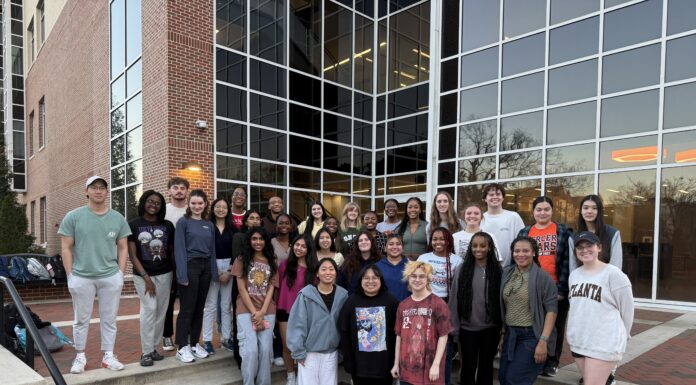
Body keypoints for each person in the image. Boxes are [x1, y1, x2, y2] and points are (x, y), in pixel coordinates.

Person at [59, 176, 131, 373]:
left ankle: (108, 356)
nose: (98, 191)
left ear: (107, 192)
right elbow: (66, 247)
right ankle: (80, 356)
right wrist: (70, 276)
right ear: (86, 191)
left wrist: (120, 273)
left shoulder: (117, 218)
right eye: (94, 187)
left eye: (102, 188)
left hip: (110, 276)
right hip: (81, 276)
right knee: (81, 319)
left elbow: (123, 247)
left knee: (109, 319)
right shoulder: (73, 216)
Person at [567, 232, 633, 385]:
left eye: (589, 246)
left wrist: (624, 335)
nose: (584, 250)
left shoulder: (613, 274)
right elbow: (576, 307)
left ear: (599, 248)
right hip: (578, 340)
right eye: (580, 247)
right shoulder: (574, 275)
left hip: (603, 341)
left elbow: (627, 310)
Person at [517, 196, 573, 377]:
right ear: (533, 212)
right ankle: (536, 357)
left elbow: (567, 262)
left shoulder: (563, 231)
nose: (542, 213)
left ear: (552, 211)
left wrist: (563, 289)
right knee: (534, 324)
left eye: (546, 209)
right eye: (539, 209)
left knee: (556, 325)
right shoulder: (525, 232)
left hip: (555, 286)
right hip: (531, 286)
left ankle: (552, 361)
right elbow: (518, 258)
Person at [499, 236, 558, 385]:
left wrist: (543, 341)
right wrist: (502, 333)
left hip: (532, 335)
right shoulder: (507, 273)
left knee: (515, 380)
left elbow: (552, 311)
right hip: (511, 334)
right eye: (517, 251)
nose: (521, 254)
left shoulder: (543, 278)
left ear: (533, 253)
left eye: (525, 251)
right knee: (504, 378)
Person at [128, 190, 175, 367]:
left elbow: (171, 253)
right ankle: (145, 352)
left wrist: (175, 277)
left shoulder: (168, 225)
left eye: (157, 203)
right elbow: (133, 256)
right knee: (149, 310)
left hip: (166, 273)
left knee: (161, 313)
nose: (153, 205)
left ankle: (154, 348)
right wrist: (146, 278)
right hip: (143, 275)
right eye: (150, 201)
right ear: (143, 202)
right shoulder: (133, 224)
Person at [448, 232, 502, 385]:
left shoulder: (497, 270)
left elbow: (502, 301)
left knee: (486, 368)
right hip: (467, 329)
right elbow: (454, 300)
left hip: (491, 328)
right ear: (470, 248)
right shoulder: (462, 269)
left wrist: (502, 327)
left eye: (483, 246)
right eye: (475, 246)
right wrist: (455, 328)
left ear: (490, 248)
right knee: (468, 368)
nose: (478, 249)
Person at [287, 258, 349, 385]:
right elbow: (297, 325)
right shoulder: (306, 295)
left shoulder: (343, 296)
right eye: (324, 269)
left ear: (336, 273)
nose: (328, 272)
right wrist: (298, 352)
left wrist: (342, 351)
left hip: (331, 353)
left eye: (331, 269)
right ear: (317, 273)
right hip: (309, 354)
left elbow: (345, 326)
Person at [230, 227, 279, 385]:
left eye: (261, 239)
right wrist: (255, 313)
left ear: (266, 241)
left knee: (265, 351)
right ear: (249, 241)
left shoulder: (272, 259)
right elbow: (242, 288)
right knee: (251, 351)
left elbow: (272, 287)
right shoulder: (241, 259)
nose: (258, 242)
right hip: (246, 310)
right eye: (254, 239)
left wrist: (262, 311)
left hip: (267, 310)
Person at [174, 189, 218, 363]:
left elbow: (212, 250)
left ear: (205, 204)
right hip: (190, 266)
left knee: (200, 308)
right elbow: (179, 249)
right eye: (193, 203)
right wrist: (182, 275)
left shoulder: (209, 224)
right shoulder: (183, 222)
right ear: (188, 204)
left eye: (200, 203)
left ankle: (193, 343)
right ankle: (182, 346)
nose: (197, 206)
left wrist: (214, 271)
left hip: (206, 267)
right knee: (187, 308)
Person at [391, 261, 452, 385]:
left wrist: (436, 364)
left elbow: (443, 335)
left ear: (428, 279)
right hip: (407, 370)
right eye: (413, 276)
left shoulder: (439, 304)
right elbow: (399, 336)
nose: (417, 279)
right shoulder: (403, 306)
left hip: (430, 370)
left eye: (422, 276)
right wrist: (396, 364)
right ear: (408, 278)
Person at [339, 264, 399, 385]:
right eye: (366, 278)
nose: (370, 281)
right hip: (360, 367)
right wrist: (348, 361)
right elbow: (344, 332)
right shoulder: (351, 301)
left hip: (385, 367)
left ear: (381, 280)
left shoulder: (391, 301)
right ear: (360, 280)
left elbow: (398, 334)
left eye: (375, 278)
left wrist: (395, 362)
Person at [417, 227, 462, 385]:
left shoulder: (456, 260)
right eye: (435, 239)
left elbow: (459, 289)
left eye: (442, 239)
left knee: (445, 350)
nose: (438, 242)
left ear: (449, 240)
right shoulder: (424, 257)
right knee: (424, 348)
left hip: (446, 306)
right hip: (426, 304)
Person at [278, 235, 316, 385]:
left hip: (304, 313)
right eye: (297, 245)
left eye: (303, 246)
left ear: (308, 250)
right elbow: (278, 288)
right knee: (287, 346)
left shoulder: (313, 270)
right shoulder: (284, 265)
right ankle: (290, 376)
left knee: (303, 346)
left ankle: (302, 376)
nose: (299, 248)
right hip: (284, 310)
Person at [201, 198, 235, 355]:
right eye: (218, 206)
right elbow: (206, 249)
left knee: (226, 306)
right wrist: (215, 271)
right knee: (210, 305)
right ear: (213, 208)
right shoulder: (206, 226)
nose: (221, 209)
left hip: (229, 268)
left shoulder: (232, 228)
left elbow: (237, 252)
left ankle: (226, 338)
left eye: (224, 207)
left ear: (228, 210)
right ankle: (207, 340)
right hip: (212, 266)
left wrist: (229, 271)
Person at [162, 176, 189, 352]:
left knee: (187, 302)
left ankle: (184, 335)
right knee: (168, 302)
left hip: (188, 262)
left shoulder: (191, 210)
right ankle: (166, 336)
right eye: (175, 187)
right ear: (169, 191)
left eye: (182, 188)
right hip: (166, 262)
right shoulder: (163, 211)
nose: (179, 190)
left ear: (187, 192)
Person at [570, 195, 622, 272]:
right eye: (586, 208)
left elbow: (616, 266)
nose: (589, 211)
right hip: (582, 281)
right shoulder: (573, 237)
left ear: (599, 211)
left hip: (606, 281)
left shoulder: (613, 234)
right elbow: (573, 266)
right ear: (581, 211)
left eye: (594, 208)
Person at [480, 183, 525, 268]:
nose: (495, 197)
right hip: (485, 268)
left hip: (510, 268)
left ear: (503, 198)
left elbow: (522, 242)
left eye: (498, 194)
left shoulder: (513, 216)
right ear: (485, 199)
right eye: (491, 195)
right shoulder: (480, 219)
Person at [375, 234, 410, 301]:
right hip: (384, 308)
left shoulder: (411, 266)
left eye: (398, 244)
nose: (395, 247)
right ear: (385, 248)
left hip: (406, 308)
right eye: (391, 244)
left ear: (403, 248)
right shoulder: (377, 267)